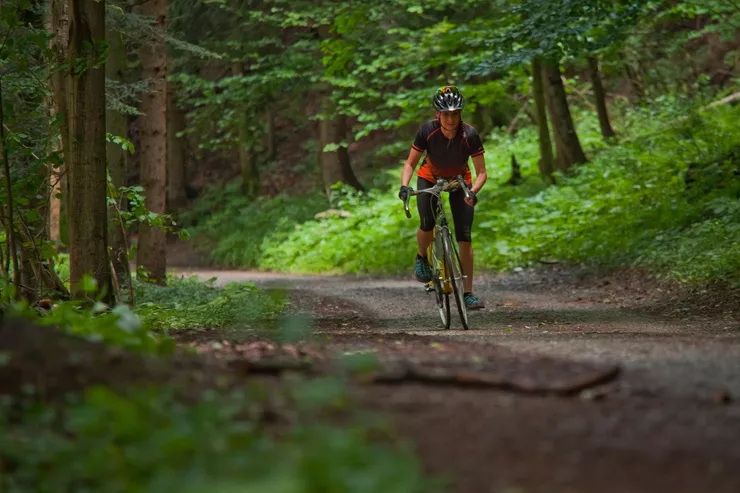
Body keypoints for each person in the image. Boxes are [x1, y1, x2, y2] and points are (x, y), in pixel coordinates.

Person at [398, 85, 487, 310]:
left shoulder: (470, 134)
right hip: (430, 178)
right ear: (438, 114)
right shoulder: (427, 131)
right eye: (446, 114)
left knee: (465, 237)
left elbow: (482, 173)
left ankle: (467, 293)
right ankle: (421, 257)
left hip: (459, 180)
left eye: (455, 113)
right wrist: (404, 186)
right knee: (427, 223)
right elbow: (410, 163)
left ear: (460, 114)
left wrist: (472, 192)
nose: (450, 119)